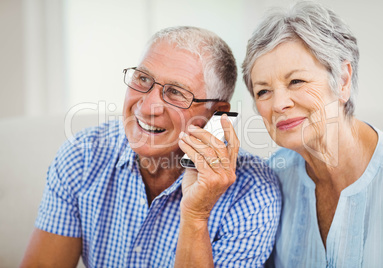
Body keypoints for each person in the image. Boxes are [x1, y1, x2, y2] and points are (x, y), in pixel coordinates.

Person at [21, 26, 281, 267]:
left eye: (176, 92)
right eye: (143, 79)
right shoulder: (82, 156)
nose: (146, 107)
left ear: (216, 113)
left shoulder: (253, 193)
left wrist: (195, 216)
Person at [242, 1, 383, 267]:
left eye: (296, 81)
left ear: (342, 81)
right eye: (263, 91)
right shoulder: (272, 181)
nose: (279, 104)